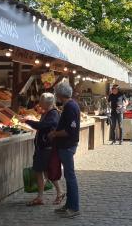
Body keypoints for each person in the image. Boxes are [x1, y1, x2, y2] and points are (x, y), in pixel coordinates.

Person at [20, 93, 64, 206]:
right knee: (46, 172)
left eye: (41, 101)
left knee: (39, 171)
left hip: (45, 148)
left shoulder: (53, 114)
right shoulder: (48, 113)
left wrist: (27, 121)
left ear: (46, 103)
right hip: (43, 147)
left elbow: (42, 126)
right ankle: (59, 192)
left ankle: (42, 197)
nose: (39, 103)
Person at [48, 82, 80, 218]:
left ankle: (74, 207)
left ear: (60, 95)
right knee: (68, 177)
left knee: (70, 177)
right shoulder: (69, 106)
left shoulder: (70, 107)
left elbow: (69, 131)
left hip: (67, 146)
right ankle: (69, 205)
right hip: (66, 145)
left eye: (56, 93)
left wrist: (55, 133)